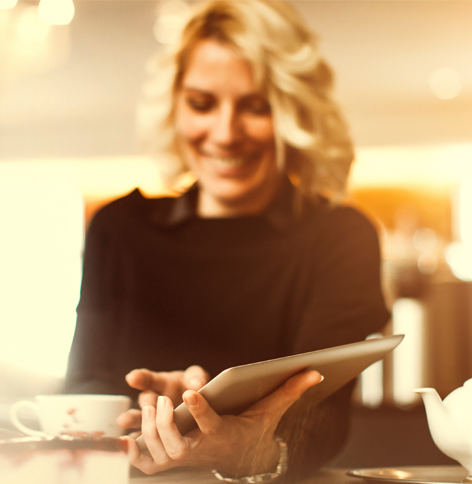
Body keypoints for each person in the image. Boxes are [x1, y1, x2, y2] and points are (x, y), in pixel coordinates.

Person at [65, 0, 390, 481]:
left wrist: (254, 450)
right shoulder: (119, 228)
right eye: (202, 104)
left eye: (256, 107)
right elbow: (83, 386)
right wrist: (149, 412)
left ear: (294, 113)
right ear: (175, 107)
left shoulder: (341, 237)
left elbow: (323, 415)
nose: (225, 133)